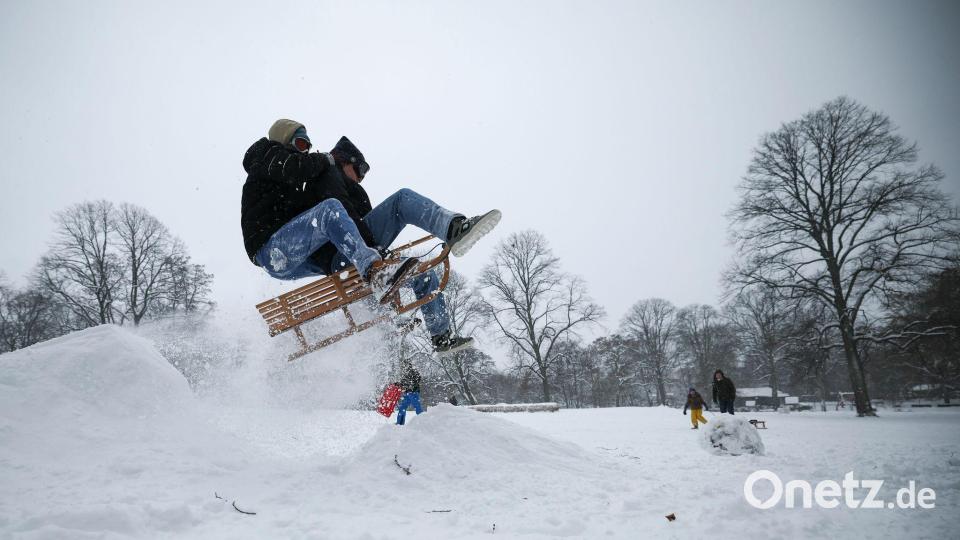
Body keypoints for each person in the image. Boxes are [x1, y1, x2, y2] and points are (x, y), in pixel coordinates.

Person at [241, 119, 500, 354]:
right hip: (275, 250)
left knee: (421, 269)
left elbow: (346, 222)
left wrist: (381, 255)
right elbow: (307, 180)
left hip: (328, 255)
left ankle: (441, 335)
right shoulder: (272, 157)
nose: (361, 176)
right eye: (300, 144)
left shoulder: (312, 183)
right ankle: (383, 268)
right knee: (335, 210)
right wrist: (327, 160)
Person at [395, 361, 423, 426]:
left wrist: (411, 385)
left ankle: (422, 422)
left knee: (417, 407)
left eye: (404, 366)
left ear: (408, 366)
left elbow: (418, 379)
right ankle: (399, 423)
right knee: (402, 408)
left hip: (413, 392)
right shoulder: (405, 374)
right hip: (407, 393)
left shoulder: (414, 372)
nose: (403, 367)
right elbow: (403, 383)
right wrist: (398, 384)